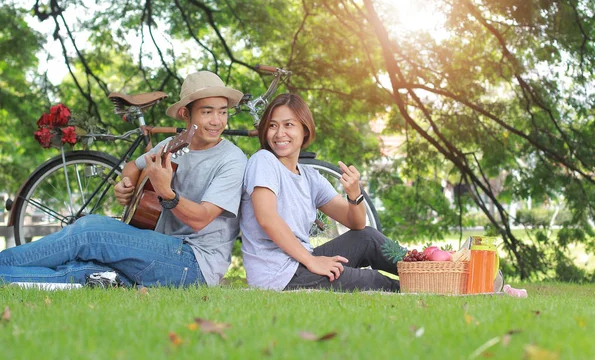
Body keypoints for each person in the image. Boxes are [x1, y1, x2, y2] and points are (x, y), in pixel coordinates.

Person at [0, 71, 248, 288]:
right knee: (84, 272)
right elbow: (132, 166)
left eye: (223, 112)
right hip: (162, 250)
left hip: (193, 263)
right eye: (207, 112)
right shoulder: (172, 145)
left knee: (89, 232)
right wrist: (126, 184)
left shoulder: (232, 160)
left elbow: (201, 219)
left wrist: (166, 193)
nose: (217, 121)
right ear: (186, 114)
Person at [240, 93, 399, 292]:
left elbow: (357, 224)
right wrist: (311, 261)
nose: (279, 133)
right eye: (273, 126)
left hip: (302, 262)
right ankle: (425, 289)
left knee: (368, 238)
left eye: (288, 125)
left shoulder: (309, 176)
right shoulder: (263, 161)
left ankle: (429, 268)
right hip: (279, 275)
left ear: (305, 130)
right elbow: (267, 218)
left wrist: (354, 194)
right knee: (374, 280)